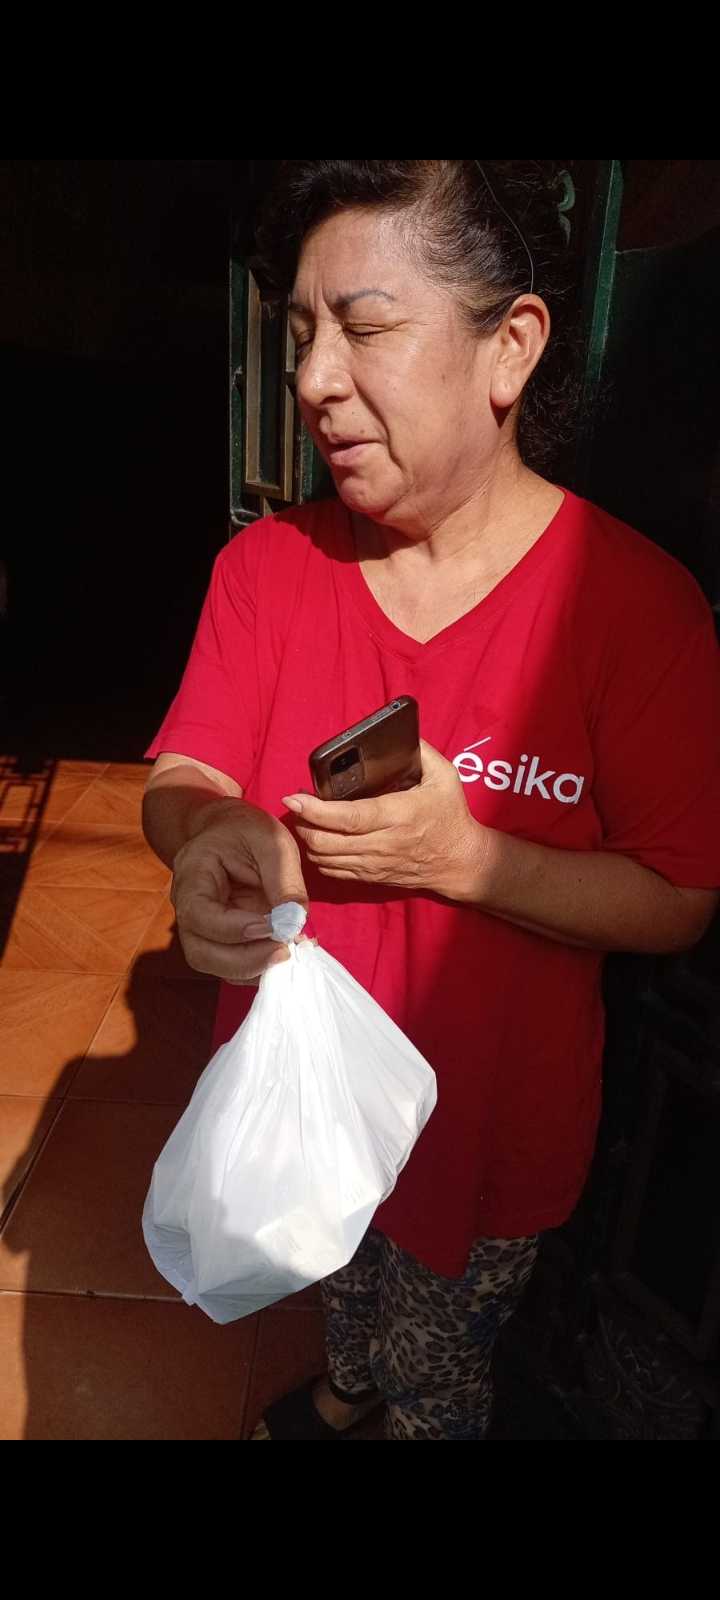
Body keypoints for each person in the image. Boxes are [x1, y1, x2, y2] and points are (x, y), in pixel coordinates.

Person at [142, 161, 720, 1440]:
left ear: (509, 347)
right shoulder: (265, 570)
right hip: (299, 1106)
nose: (312, 379)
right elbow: (185, 774)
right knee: (339, 1288)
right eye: (301, 333)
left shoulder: (637, 612)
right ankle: (346, 1385)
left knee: (442, 1363)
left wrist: (467, 859)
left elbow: (679, 895)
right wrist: (204, 834)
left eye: (364, 327)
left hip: (489, 1139)